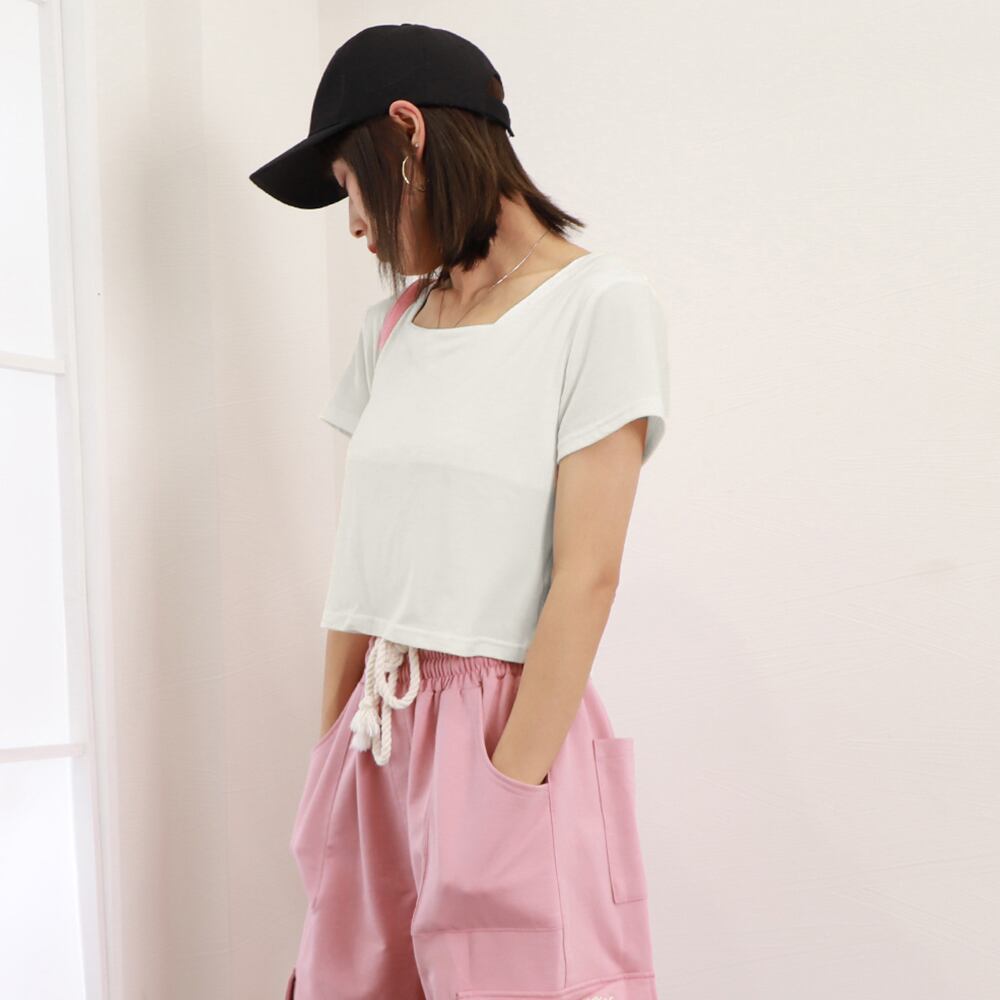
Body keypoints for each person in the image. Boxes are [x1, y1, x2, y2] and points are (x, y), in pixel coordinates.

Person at [250, 23, 668, 1000]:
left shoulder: (599, 305)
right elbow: (361, 565)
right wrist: (327, 760)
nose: (354, 226)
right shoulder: (389, 328)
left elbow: (588, 573)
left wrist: (507, 789)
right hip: (375, 732)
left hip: (503, 729)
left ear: (409, 132)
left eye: (348, 186)